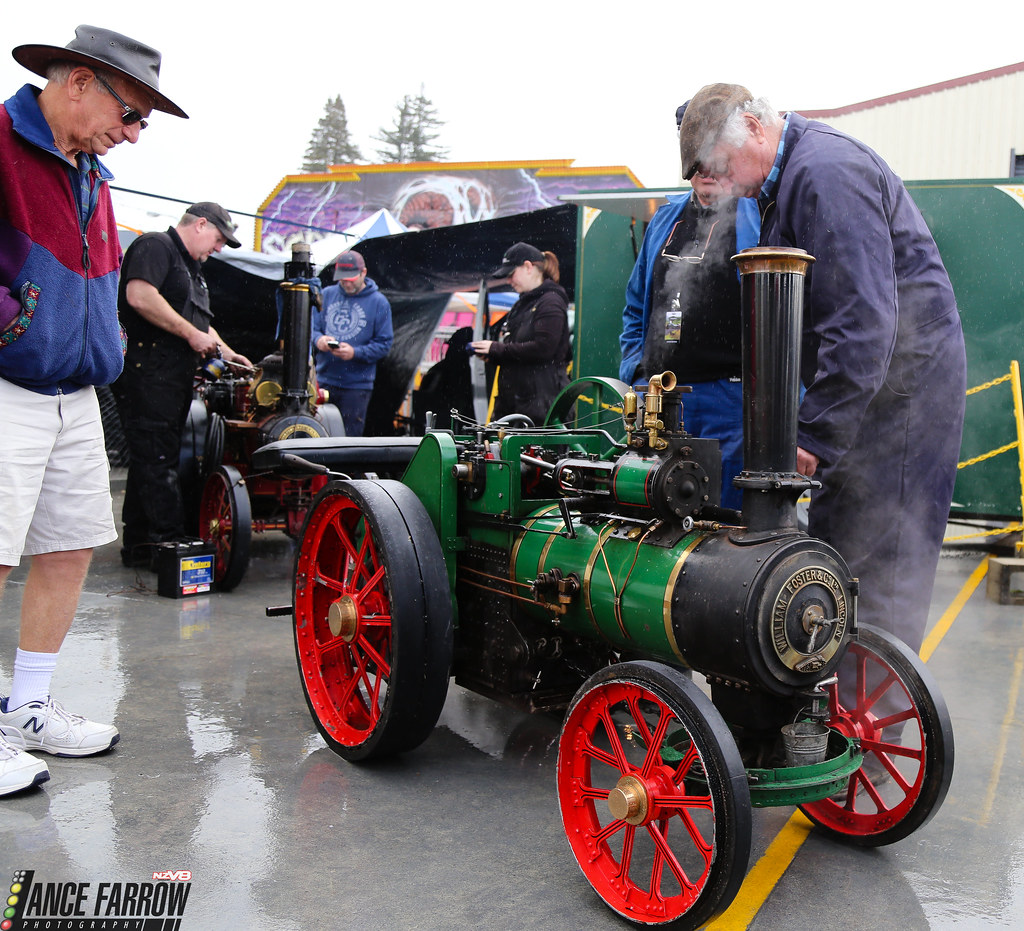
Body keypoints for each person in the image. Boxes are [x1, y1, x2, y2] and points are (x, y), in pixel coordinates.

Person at [677, 84, 967, 657]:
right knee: (839, 547)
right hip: (867, 393)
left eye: (723, 167)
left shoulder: (827, 172)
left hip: (903, 396)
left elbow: (863, 324)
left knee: (879, 565)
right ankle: (828, 707)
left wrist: (813, 434)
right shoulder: (780, 183)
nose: (726, 184)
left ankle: (872, 731)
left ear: (755, 129)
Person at [0, 24, 187, 796]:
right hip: (10, 381)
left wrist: (100, 338)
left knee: (70, 546)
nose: (134, 134)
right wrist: (16, 323)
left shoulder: (94, 174)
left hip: (76, 389)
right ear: (78, 80)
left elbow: (98, 276)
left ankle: (28, 707)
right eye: (132, 113)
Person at [619, 103, 760, 511]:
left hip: (730, 401)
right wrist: (635, 369)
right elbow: (633, 308)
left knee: (729, 520)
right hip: (661, 397)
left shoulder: (758, 215)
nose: (706, 172)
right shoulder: (665, 221)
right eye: (696, 163)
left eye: (713, 160)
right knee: (661, 515)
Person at [112, 202, 251, 567]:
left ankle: (140, 545)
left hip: (172, 380)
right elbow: (139, 295)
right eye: (219, 239)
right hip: (147, 376)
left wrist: (231, 353)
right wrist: (191, 335)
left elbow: (202, 325)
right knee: (158, 460)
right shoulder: (157, 246)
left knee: (153, 460)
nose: (218, 248)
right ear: (200, 224)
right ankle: (168, 547)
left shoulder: (193, 270)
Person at [470, 242, 571, 425]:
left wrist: (498, 350)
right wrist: (493, 354)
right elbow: (520, 350)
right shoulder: (524, 304)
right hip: (518, 405)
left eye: (511, 274)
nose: (509, 281)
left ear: (528, 267)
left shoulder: (550, 302)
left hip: (541, 406)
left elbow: (544, 348)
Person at [311, 250, 394, 437]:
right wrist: (319, 340)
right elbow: (311, 329)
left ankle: (346, 468)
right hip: (324, 380)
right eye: (343, 279)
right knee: (319, 434)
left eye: (351, 278)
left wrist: (355, 353)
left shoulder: (379, 302)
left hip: (357, 386)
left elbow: (385, 344)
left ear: (363, 273)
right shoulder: (327, 294)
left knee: (349, 438)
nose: (347, 282)